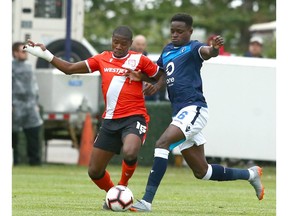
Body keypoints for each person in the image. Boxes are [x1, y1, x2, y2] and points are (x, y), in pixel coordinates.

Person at [131, 13, 265, 212]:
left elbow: (208, 51)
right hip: (180, 114)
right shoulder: (167, 50)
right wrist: (144, 78)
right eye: (172, 31)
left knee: (162, 143)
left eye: (180, 31)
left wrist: (214, 48)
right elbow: (161, 75)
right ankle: (250, 174)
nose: (175, 35)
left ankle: (146, 201)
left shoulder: (193, 48)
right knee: (202, 172)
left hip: (194, 108)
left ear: (190, 32)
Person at [23, 25, 165, 210]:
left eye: (123, 44)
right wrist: (46, 54)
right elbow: (69, 68)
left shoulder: (140, 60)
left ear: (130, 44)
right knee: (94, 171)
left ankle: (122, 187)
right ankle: (116, 196)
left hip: (134, 117)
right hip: (110, 121)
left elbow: (162, 77)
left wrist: (145, 78)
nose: (119, 46)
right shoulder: (102, 58)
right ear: (112, 41)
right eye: (116, 42)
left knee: (130, 151)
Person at [12, 42, 43, 166]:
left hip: (30, 106)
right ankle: (14, 161)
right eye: (23, 51)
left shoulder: (29, 66)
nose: (26, 53)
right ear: (15, 53)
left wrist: (36, 103)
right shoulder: (10, 66)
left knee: (33, 133)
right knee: (13, 136)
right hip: (16, 105)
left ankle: (35, 162)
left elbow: (34, 86)